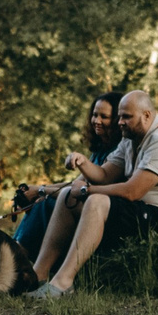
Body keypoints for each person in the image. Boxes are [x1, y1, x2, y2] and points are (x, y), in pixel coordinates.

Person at [24, 89, 158, 299]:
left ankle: (63, 283)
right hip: (144, 213)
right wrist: (82, 162)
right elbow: (105, 174)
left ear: (146, 116)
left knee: (96, 201)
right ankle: (38, 275)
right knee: (67, 196)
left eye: (126, 117)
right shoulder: (131, 138)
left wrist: (87, 191)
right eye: (120, 116)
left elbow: (132, 191)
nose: (120, 122)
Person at [13, 90, 124, 257]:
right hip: (81, 197)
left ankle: (19, 254)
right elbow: (73, 183)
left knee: (44, 203)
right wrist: (37, 189)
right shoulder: (100, 149)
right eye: (94, 115)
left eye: (104, 117)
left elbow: (82, 188)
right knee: (41, 200)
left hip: (98, 206)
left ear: (116, 120)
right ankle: (19, 249)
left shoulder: (118, 151)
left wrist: (41, 190)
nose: (97, 121)